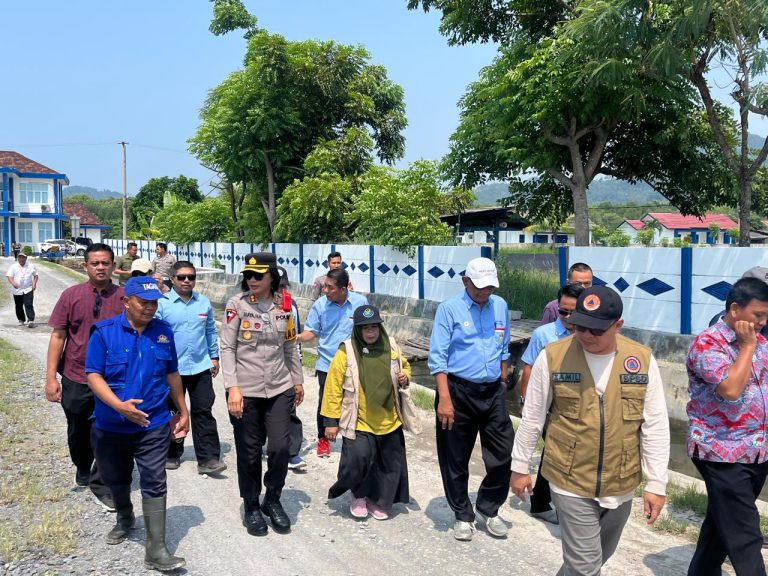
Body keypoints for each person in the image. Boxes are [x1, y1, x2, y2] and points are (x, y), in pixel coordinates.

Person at [511, 285, 670, 576]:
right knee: (586, 567)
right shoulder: (553, 356)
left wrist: (657, 483)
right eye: (580, 326)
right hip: (568, 479)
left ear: (618, 325)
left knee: (594, 559)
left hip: (621, 481)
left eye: (596, 330)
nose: (586, 336)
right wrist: (520, 466)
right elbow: (532, 417)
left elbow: (655, 424)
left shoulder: (641, 361)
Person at [86, 276, 189, 572]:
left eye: (154, 302)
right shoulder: (104, 333)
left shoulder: (163, 332)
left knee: (155, 479)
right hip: (111, 425)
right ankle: (124, 517)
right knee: (116, 479)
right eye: (143, 302)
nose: (149, 308)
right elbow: (94, 375)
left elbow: (172, 374)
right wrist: (119, 406)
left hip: (153, 423)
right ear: (126, 302)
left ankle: (156, 549)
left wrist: (183, 410)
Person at [428, 257, 514, 541]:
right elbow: (438, 357)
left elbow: (504, 348)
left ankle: (488, 508)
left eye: (489, 288)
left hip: (492, 392)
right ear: (465, 281)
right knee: (455, 458)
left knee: (502, 456)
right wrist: (444, 398)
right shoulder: (449, 309)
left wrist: (502, 381)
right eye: (479, 287)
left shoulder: (500, 306)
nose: (484, 292)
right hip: (457, 391)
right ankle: (462, 514)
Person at [686, 277, 768, 576]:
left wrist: (753, 344)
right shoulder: (708, 343)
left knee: (722, 525)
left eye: (766, 317)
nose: (761, 323)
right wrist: (747, 346)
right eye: (758, 316)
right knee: (746, 533)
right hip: (720, 451)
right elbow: (731, 389)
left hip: (756, 451)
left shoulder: (762, 344)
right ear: (735, 309)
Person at [220, 252, 305, 536]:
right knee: (249, 450)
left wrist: (298, 380)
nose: (251, 280)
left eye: (258, 275)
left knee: (281, 447)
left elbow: (290, 345)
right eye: (248, 275)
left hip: (280, 386)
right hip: (246, 389)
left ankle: (273, 499)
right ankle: (252, 505)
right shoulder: (237, 305)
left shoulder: (286, 305)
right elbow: (227, 348)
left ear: (272, 277)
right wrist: (233, 387)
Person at [45, 243, 127, 511]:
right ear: (85, 266)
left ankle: (101, 482)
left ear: (114, 266)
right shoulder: (71, 295)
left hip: (112, 378)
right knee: (78, 429)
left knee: (106, 431)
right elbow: (58, 336)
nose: (101, 268)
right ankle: (82, 464)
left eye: (106, 263)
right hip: (76, 375)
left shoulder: (125, 298)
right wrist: (50, 378)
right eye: (95, 263)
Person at [322, 304, 411, 520]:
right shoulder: (346, 351)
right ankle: (358, 495)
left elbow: (405, 365)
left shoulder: (390, 346)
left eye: (374, 327)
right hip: (359, 418)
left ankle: (379, 500)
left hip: (389, 418)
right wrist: (330, 422)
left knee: (389, 464)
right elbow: (333, 388)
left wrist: (405, 376)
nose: (370, 332)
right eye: (365, 328)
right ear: (357, 330)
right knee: (358, 459)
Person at [515, 283, 584, 525]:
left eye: (573, 312)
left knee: (563, 453)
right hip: (548, 404)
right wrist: (526, 401)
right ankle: (543, 502)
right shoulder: (544, 334)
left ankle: (553, 501)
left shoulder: (590, 335)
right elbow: (529, 367)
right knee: (554, 451)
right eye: (563, 311)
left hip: (577, 406)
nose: (567, 317)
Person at [155, 261, 225, 475]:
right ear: (173, 279)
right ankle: (172, 452)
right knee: (172, 411)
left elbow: (210, 332)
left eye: (191, 277)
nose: (187, 281)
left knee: (203, 410)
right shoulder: (162, 303)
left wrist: (214, 356)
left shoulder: (203, 303)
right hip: (171, 369)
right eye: (182, 277)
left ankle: (208, 458)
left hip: (200, 366)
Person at [297, 268, 368, 457]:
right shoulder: (320, 305)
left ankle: (351, 439)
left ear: (343, 289)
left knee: (353, 402)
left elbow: (368, 332)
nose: (325, 290)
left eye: (330, 287)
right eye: (325, 286)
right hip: (327, 363)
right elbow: (311, 331)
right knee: (326, 403)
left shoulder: (360, 303)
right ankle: (324, 440)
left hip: (353, 365)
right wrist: (295, 338)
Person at [275, 267, 306, 471]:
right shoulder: (249, 305)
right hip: (261, 368)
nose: (280, 290)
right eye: (277, 286)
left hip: (286, 364)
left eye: (283, 285)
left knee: (290, 409)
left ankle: (292, 452)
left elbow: (294, 339)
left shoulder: (290, 306)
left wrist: (297, 374)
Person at [7, 252, 39, 327]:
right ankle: (21, 320)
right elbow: (9, 276)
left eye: (23, 257)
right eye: (20, 257)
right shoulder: (13, 266)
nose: (21, 259)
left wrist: (34, 284)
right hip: (17, 290)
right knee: (18, 305)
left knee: (28, 304)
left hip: (28, 288)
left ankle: (30, 320)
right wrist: (13, 283)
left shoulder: (31, 266)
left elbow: (36, 275)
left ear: (26, 258)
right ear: (18, 258)